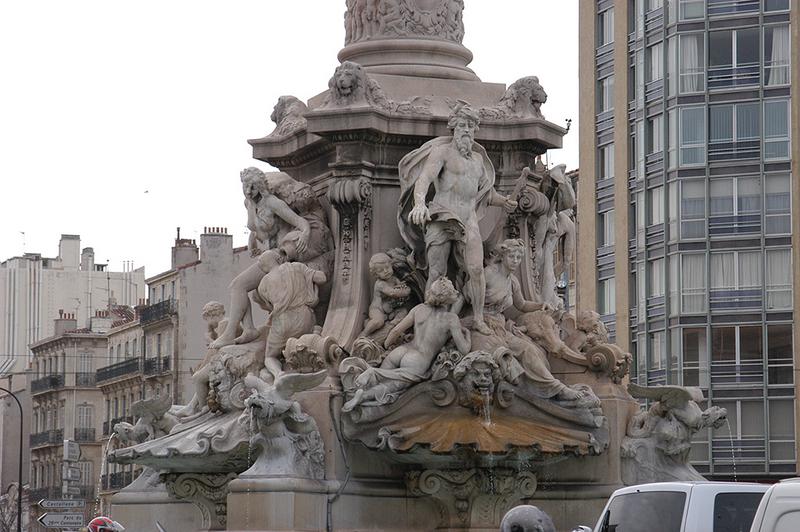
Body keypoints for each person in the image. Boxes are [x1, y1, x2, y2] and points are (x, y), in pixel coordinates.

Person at [398, 101, 517, 336]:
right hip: (442, 215)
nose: (466, 130)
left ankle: (478, 318)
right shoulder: (442, 153)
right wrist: (420, 203)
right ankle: (428, 320)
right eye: (462, 125)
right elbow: (424, 179)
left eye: (471, 126)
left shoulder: (478, 162)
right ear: (453, 127)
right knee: (437, 271)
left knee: (476, 270)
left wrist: (503, 201)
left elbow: (483, 192)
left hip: (468, 219)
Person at [342, 277, 470, 411]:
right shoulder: (451, 319)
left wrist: (386, 345)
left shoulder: (419, 309)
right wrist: (467, 335)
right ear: (447, 297)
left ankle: (367, 380)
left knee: (383, 377)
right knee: (392, 386)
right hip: (418, 360)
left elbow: (396, 330)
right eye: (453, 291)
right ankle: (365, 391)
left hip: (401, 351)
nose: (455, 293)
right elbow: (464, 349)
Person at [359, 253, 411, 338]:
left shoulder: (394, 279)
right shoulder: (380, 284)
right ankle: (364, 334)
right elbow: (392, 293)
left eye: (387, 267)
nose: (386, 271)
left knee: (404, 311)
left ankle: (392, 328)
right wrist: (405, 291)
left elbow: (401, 285)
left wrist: (402, 286)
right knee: (378, 321)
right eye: (381, 270)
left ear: (391, 265)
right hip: (377, 309)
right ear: (376, 274)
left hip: (390, 308)